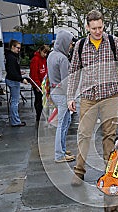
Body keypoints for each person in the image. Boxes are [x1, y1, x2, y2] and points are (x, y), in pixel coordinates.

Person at [67, 10, 118, 186]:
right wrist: (70, 97)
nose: (98, 31)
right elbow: (73, 73)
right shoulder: (81, 45)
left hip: (110, 96)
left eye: (100, 27)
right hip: (88, 97)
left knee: (109, 135)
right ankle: (79, 171)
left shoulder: (114, 42)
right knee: (83, 134)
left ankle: (110, 171)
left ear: (103, 25)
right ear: (87, 27)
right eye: (94, 28)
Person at [47, 30, 76, 163]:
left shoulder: (51, 55)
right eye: (70, 43)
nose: (70, 46)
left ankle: (62, 149)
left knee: (65, 122)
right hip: (62, 93)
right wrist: (72, 96)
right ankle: (59, 154)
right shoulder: (63, 59)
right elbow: (66, 81)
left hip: (54, 91)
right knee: (63, 124)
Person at [5, 39, 28, 127]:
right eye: (17, 48)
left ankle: (15, 120)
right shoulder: (12, 58)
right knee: (15, 102)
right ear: (12, 47)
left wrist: (19, 73)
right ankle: (15, 121)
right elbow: (12, 72)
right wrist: (21, 79)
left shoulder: (10, 56)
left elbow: (12, 70)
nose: (19, 50)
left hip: (12, 79)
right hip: (13, 80)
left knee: (14, 101)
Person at [29, 45, 50, 126]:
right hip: (38, 85)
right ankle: (39, 116)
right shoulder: (35, 60)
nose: (45, 54)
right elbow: (34, 74)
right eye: (44, 52)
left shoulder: (44, 59)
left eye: (46, 53)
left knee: (43, 102)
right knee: (39, 101)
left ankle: (43, 116)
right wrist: (37, 85)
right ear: (40, 50)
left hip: (44, 84)